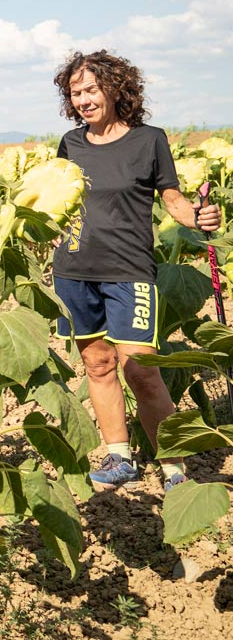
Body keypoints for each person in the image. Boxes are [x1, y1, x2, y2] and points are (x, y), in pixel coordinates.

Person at [50, 50, 220, 492]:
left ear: (114, 88)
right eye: (75, 93)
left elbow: (172, 198)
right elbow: (58, 197)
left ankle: (175, 470)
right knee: (97, 363)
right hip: (74, 269)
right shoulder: (70, 143)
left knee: (141, 370)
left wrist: (196, 216)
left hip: (129, 269)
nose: (84, 100)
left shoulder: (149, 140)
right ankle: (119, 457)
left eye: (91, 89)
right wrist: (48, 229)